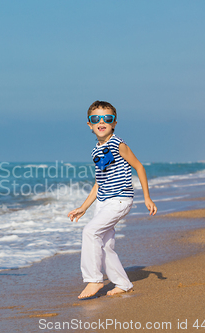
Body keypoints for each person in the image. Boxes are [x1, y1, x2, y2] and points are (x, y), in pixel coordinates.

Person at [68, 101, 157, 299]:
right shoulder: (95, 151)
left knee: (90, 231)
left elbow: (139, 167)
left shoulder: (119, 144)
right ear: (89, 125)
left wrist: (147, 197)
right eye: (96, 119)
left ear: (114, 123)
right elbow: (99, 183)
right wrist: (83, 208)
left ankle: (94, 279)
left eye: (107, 118)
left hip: (120, 199)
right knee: (105, 245)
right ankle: (123, 284)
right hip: (103, 201)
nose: (102, 122)